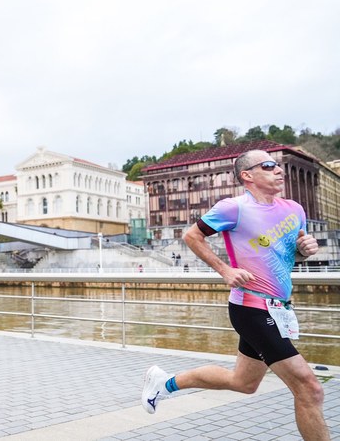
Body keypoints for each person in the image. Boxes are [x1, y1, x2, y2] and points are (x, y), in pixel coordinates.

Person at [141, 150, 329, 440]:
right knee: (309, 387)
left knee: (243, 382)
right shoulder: (234, 208)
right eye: (269, 165)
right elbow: (192, 235)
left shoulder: (294, 209)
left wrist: (304, 251)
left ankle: (164, 382)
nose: (278, 170)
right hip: (251, 307)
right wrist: (225, 270)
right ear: (248, 175)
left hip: (279, 308)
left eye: (278, 165)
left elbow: (294, 257)